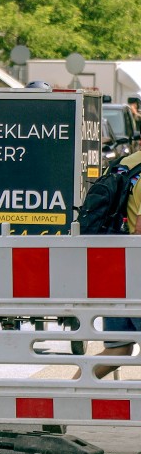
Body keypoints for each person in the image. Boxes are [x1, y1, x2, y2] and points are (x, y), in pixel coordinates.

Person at [78, 151, 141, 380]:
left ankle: (67, 393)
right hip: (136, 272)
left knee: (118, 349)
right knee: (118, 350)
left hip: (115, 270)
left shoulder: (124, 164)